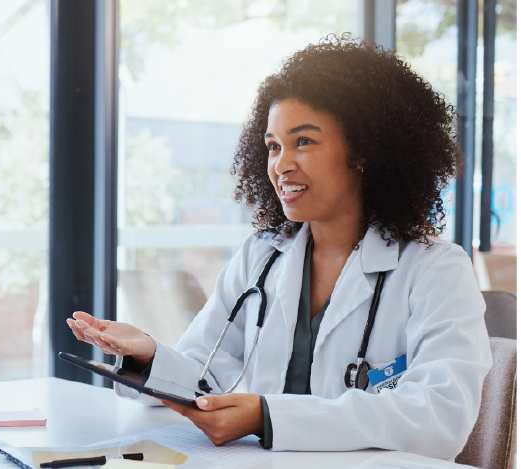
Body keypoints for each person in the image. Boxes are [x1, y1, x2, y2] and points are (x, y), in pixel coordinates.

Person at [67, 35, 491, 460]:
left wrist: (267, 417)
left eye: (303, 141)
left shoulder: (436, 270)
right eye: (273, 146)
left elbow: (441, 415)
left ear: (363, 149)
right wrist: (147, 354)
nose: (281, 165)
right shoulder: (262, 256)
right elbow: (205, 374)